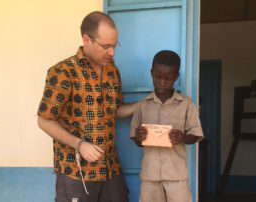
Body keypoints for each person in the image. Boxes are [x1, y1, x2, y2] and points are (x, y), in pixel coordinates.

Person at [37, 11, 136, 202]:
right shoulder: (64, 72)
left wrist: (140, 105)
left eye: (115, 46)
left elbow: (114, 111)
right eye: (106, 46)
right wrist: (80, 145)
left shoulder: (113, 71)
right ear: (86, 39)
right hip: (76, 171)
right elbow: (44, 120)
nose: (112, 52)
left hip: (110, 168)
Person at [130, 50, 204, 202]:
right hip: (150, 175)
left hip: (176, 175)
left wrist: (182, 138)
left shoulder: (186, 104)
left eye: (168, 78)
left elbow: (196, 135)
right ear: (152, 73)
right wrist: (139, 137)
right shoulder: (142, 105)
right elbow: (137, 140)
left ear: (176, 77)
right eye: (158, 77)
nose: (162, 83)